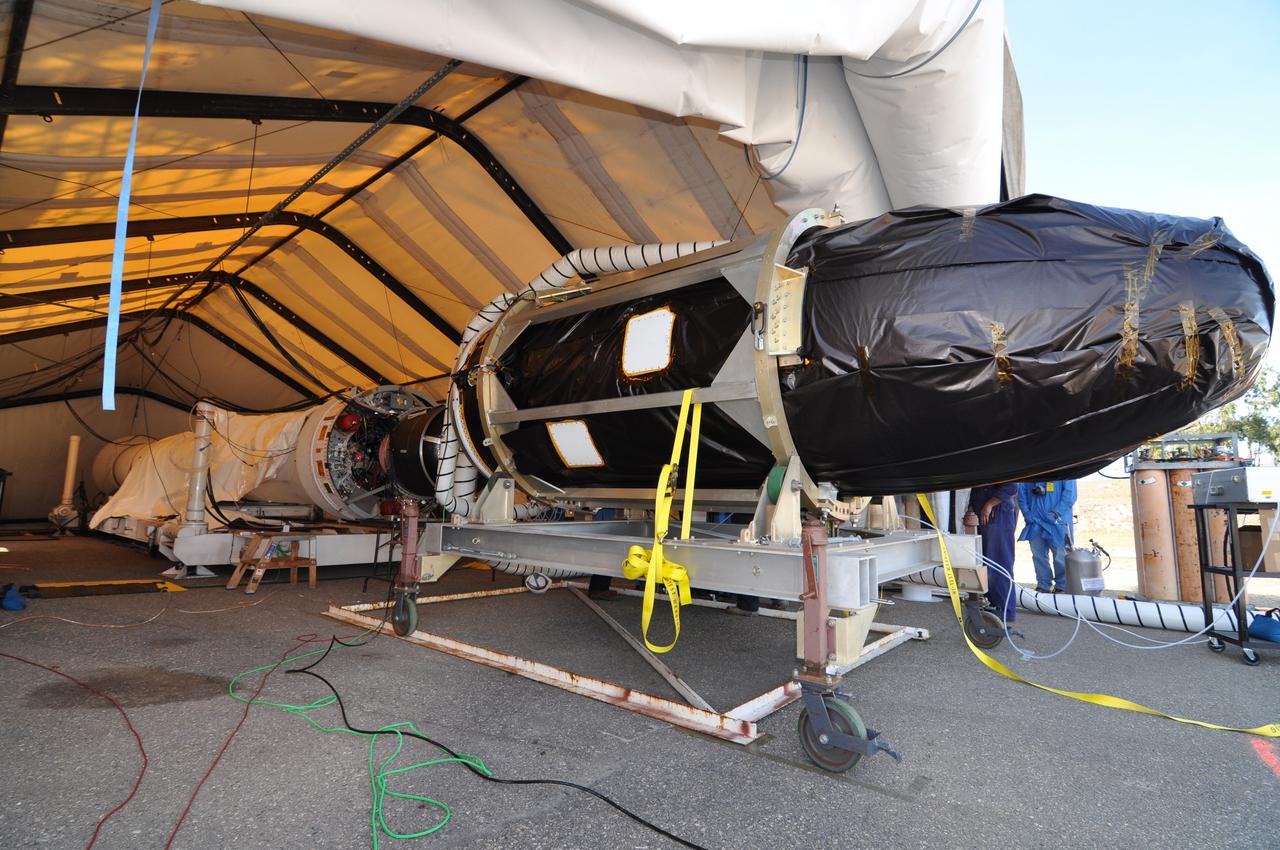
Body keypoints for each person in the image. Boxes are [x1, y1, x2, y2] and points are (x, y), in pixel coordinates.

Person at [968, 483, 1018, 623]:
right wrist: (971, 507)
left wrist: (989, 504)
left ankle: (1005, 610)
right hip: (984, 512)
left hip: (998, 513)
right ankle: (992, 604)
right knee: (986, 563)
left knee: (999, 562)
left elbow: (1012, 486)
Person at [1016, 479, 1077, 593]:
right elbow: (1022, 493)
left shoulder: (1065, 468)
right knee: (1038, 555)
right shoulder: (1031, 469)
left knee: (1060, 555)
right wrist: (1026, 513)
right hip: (1035, 521)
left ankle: (1062, 586)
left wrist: (1056, 513)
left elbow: (1069, 495)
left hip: (1056, 521)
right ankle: (1043, 585)